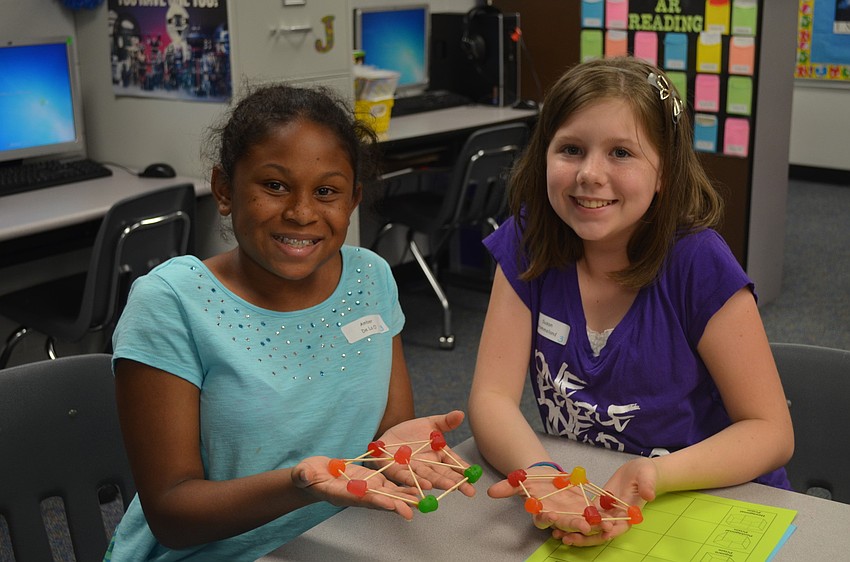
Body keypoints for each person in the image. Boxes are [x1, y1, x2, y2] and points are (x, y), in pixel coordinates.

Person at [106, 83, 475, 560]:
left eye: (326, 192)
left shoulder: (370, 277)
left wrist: (393, 452)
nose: (301, 213)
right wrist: (303, 484)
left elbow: (387, 434)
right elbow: (172, 516)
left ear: (353, 200)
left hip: (342, 541)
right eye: (274, 185)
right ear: (224, 189)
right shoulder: (172, 302)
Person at [467, 57, 793, 547]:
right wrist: (542, 478)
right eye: (571, 149)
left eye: (621, 153)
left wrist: (654, 476)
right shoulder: (528, 241)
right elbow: (491, 398)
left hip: (713, 499)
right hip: (594, 490)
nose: (590, 175)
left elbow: (770, 431)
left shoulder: (697, 261)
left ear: (665, 172)